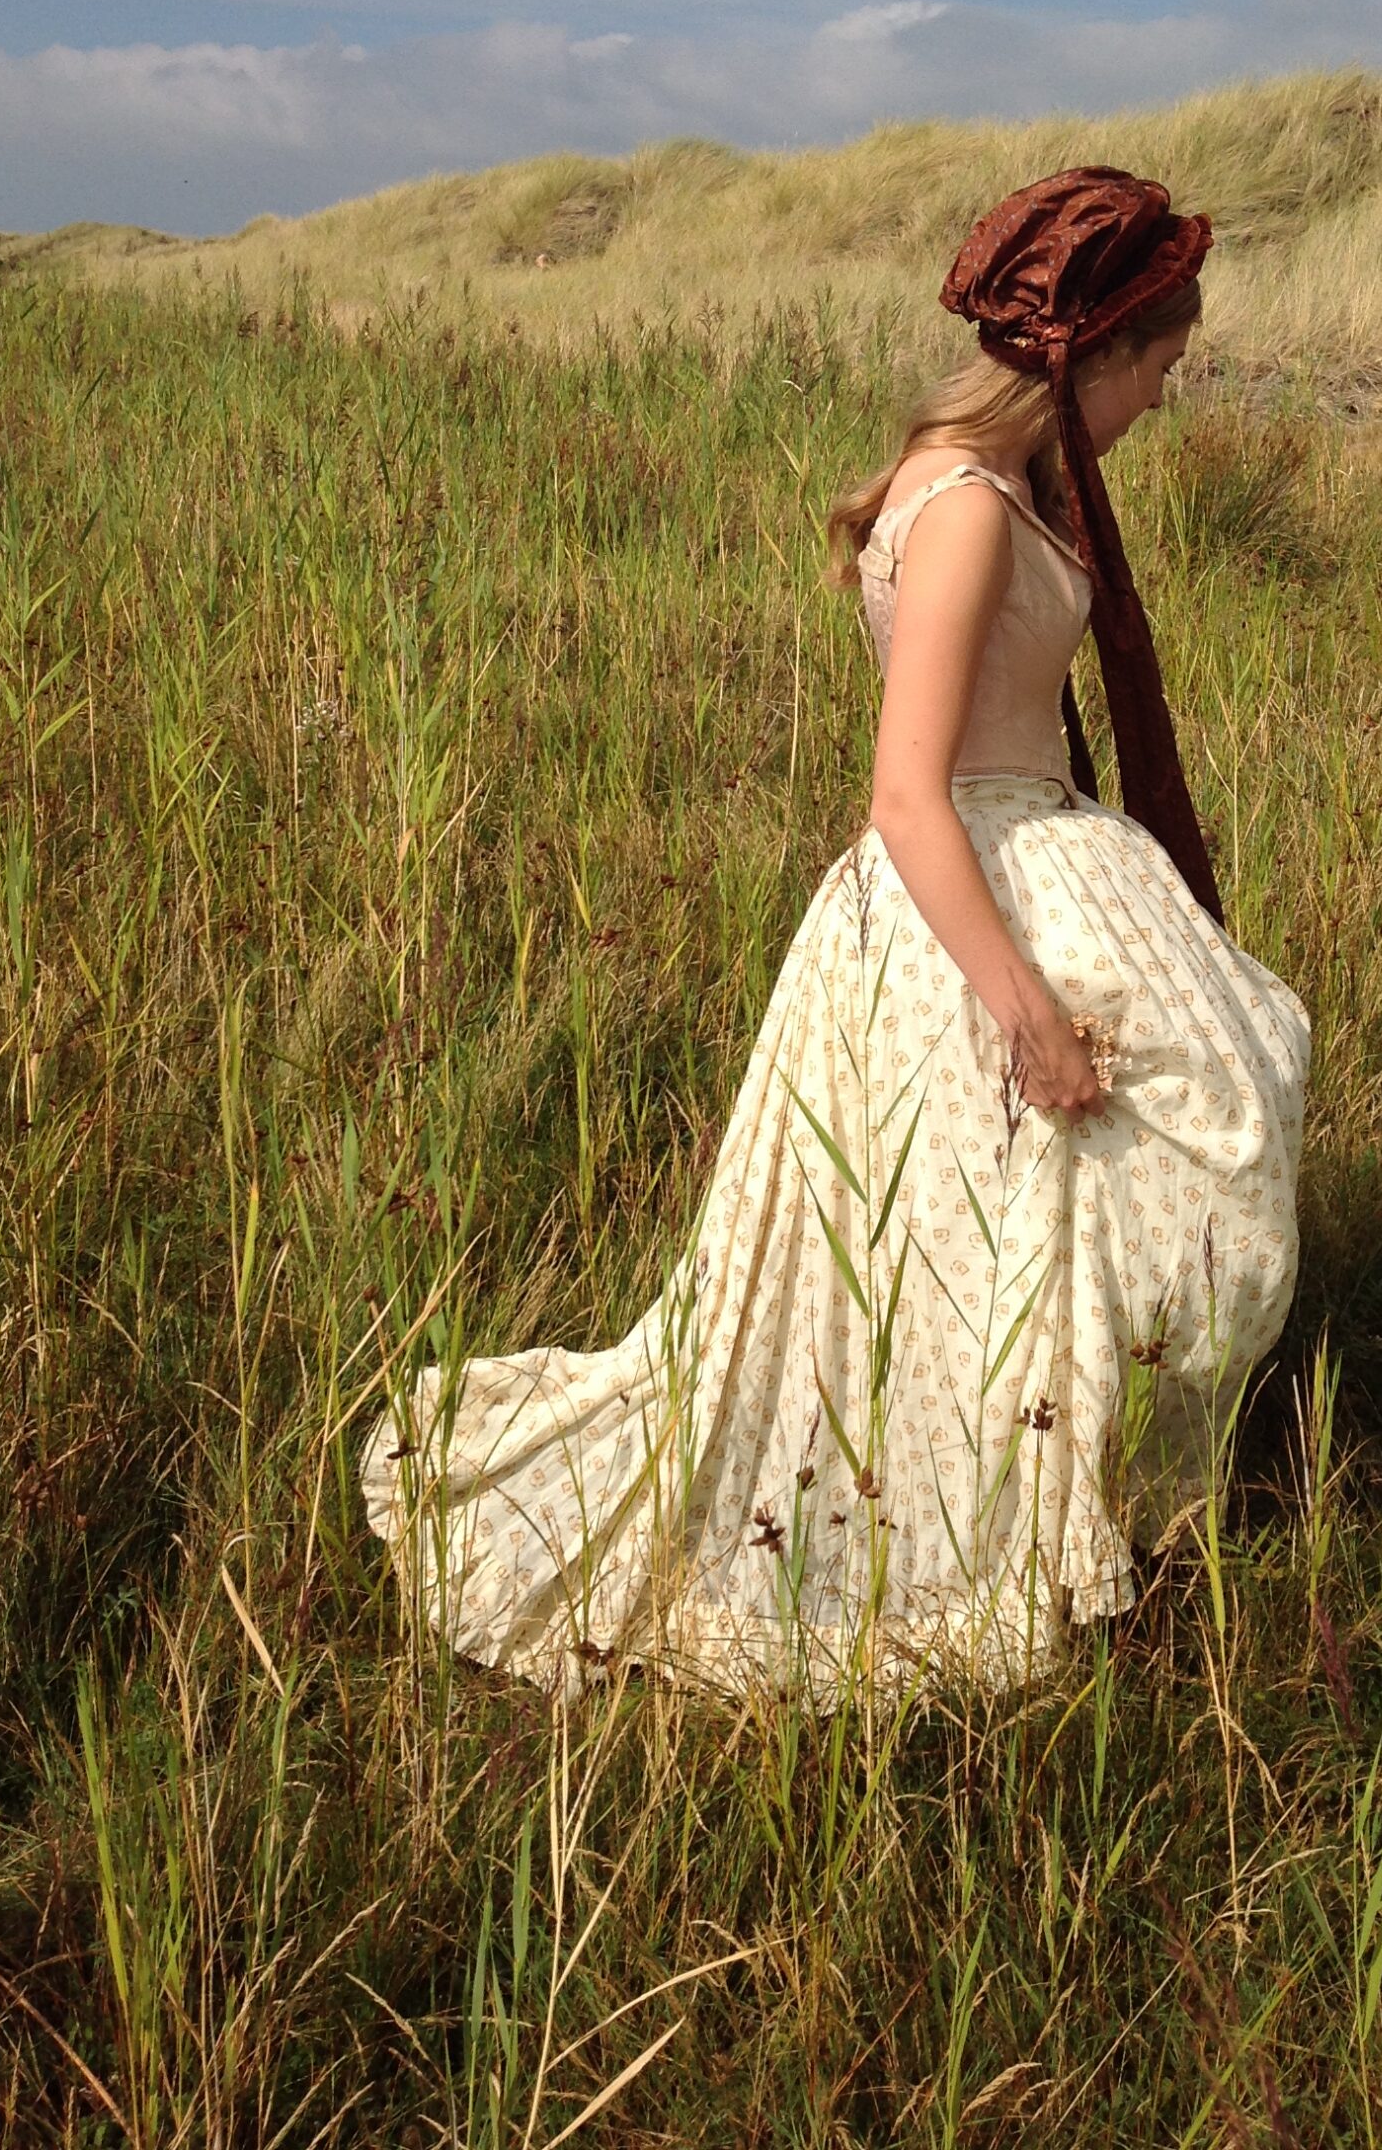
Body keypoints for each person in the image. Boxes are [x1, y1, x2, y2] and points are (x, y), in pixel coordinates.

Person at [362, 168, 1311, 1701]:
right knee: (1121, 1177)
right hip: (967, 896)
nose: (1164, 404)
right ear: (1089, 356)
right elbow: (905, 792)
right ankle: (1002, 1510)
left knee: (1121, 1169)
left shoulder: (979, 485)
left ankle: (1069, 1480)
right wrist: (1028, 1011)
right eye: (1160, 369)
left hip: (1030, 858)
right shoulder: (964, 512)